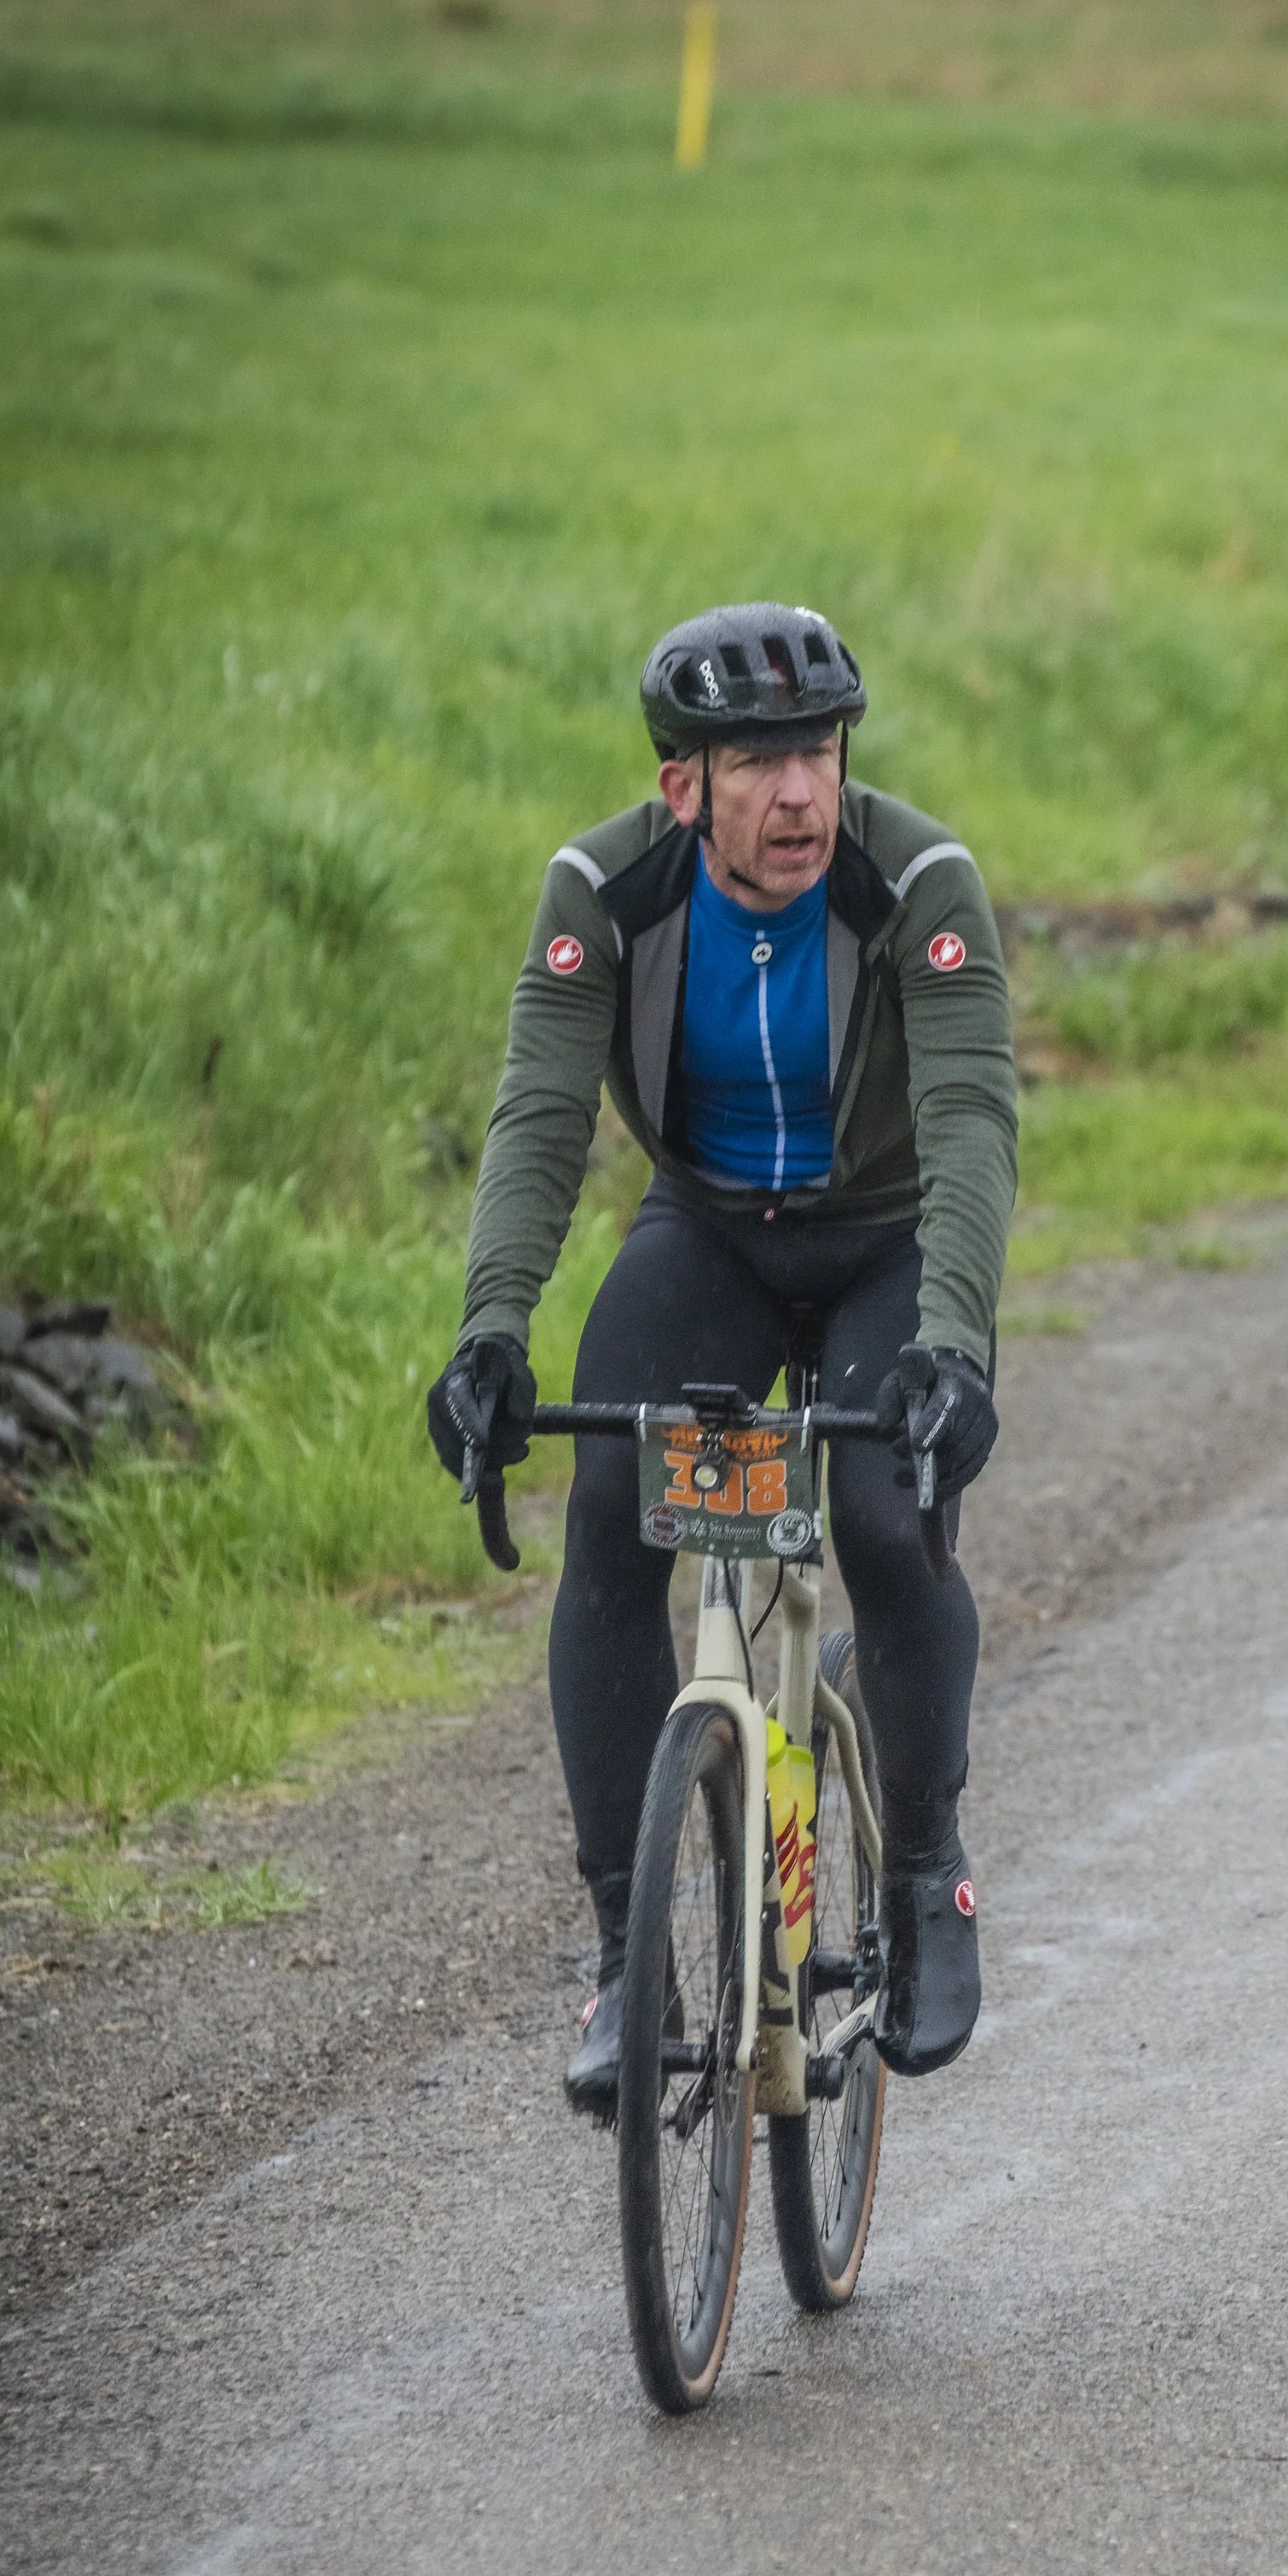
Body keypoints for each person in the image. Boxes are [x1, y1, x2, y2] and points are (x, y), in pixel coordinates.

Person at [426, 602, 1016, 2115]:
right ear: (683, 785)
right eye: (756, 764)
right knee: (613, 1521)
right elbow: (540, 1121)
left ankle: (931, 1873)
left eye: (818, 752)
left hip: (883, 1240)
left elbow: (966, 1127)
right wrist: (493, 1328)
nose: (801, 793)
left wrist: (951, 1341)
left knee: (887, 1515)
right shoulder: (603, 891)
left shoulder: (919, 879)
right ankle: (634, 1959)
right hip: (713, 1233)